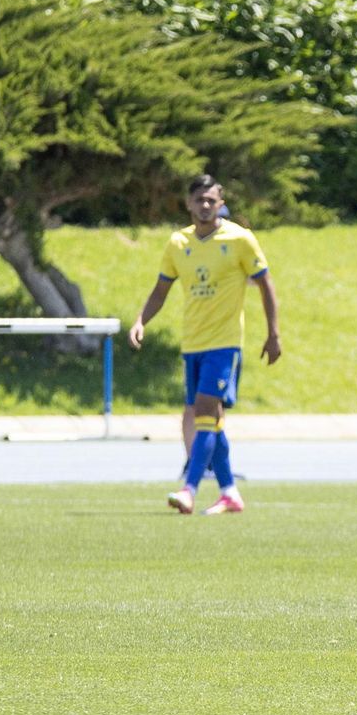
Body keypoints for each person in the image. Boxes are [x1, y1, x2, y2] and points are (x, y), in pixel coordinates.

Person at [129, 174, 280, 516]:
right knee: (212, 421)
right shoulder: (178, 243)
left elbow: (266, 284)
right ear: (188, 203)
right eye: (200, 200)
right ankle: (229, 492)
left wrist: (274, 334)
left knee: (203, 413)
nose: (206, 205)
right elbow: (161, 289)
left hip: (224, 345)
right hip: (192, 344)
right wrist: (140, 320)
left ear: (221, 200)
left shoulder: (240, 239)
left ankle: (189, 488)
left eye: (212, 199)